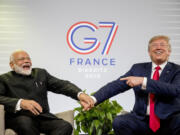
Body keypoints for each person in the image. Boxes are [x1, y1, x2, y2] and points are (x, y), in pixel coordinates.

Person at [85, 35, 180, 135]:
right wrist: (93, 99)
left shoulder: (177, 70)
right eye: (154, 45)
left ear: (169, 51)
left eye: (162, 45)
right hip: (142, 121)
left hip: (169, 121)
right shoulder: (138, 68)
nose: (158, 47)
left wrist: (144, 81)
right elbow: (116, 85)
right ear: (149, 52)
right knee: (120, 122)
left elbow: (175, 90)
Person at [0, 50, 94, 135]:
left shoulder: (40, 73)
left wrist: (80, 94)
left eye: (28, 58)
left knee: (65, 126)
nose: (26, 61)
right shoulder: (4, 79)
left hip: (43, 117)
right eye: (21, 59)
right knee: (25, 123)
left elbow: (62, 85)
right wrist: (21, 102)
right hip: (18, 117)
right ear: (12, 65)